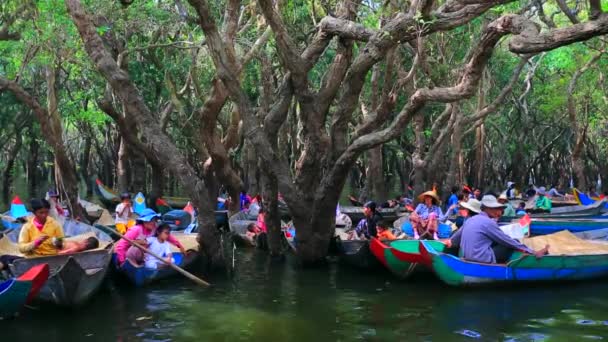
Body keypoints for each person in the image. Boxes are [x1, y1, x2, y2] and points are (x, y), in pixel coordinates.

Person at [445, 195, 549, 263]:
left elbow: (455, 239)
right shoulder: (488, 222)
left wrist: (448, 242)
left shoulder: (470, 220)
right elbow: (506, 240)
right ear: (488, 209)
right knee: (512, 243)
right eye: (497, 209)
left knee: (498, 242)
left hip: (467, 256)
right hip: (481, 258)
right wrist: (532, 251)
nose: (500, 212)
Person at [114, 208, 185, 266]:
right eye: (150, 220)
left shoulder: (155, 228)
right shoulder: (135, 230)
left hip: (145, 255)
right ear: (144, 221)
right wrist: (122, 261)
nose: (153, 222)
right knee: (136, 247)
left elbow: (167, 236)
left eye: (154, 220)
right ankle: (135, 265)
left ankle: (143, 263)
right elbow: (121, 246)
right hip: (129, 256)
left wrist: (180, 246)